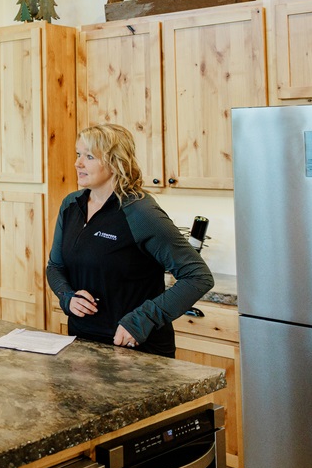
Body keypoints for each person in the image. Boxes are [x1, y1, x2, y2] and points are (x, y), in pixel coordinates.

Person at [46, 123, 213, 357]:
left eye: (89, 156)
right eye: (78, 154)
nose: (78, 163)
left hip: (136, 350)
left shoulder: (140, 212)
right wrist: (67, 297)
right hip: (83, 347)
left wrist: (141, 319)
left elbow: (198, 276)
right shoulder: (71, 205)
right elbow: (55, 266)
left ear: (115, 162)